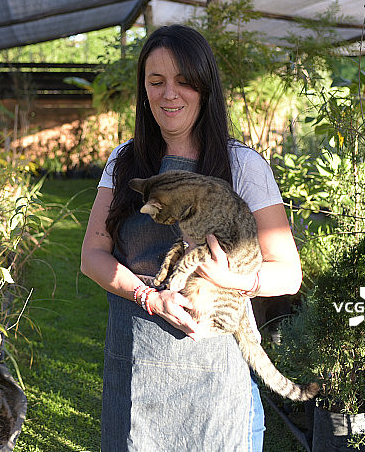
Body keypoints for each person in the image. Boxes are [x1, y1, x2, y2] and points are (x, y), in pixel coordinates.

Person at [80, 24, 303, 452]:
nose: (170, 94)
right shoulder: (124, 163)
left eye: (184, 81)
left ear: (204, 87)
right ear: (144, 89)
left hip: (216, 375)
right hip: (138, 365)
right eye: (156, 81)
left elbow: (288, 273)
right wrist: (148, 296)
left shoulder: (242, 165)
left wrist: (234, 279)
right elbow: (92, 255)